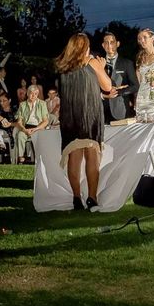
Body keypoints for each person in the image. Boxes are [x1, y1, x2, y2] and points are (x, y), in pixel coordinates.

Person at [56, 33, 111, 211]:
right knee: (92, 156)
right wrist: (102, 67)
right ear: (85, 47)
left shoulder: (64, 67)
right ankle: (92, 198)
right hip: (89, 115)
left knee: (74, 156)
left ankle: (76, 197)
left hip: (70, 117)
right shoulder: (92, 62)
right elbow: (108, 87)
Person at [101, 32, 139, 123]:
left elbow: (135, 86)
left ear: (117, 44)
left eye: (112, 42)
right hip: (101, 110)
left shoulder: (127, 63)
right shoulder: (97, 63)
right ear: (103, 45)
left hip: (120, 109)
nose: (109, 45)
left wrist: (119, 92)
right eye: (106, 42)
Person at [14, 85, 49, 164]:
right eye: (31, 93)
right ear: (27, 93)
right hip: (26, 127)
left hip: (38, 127)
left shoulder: (42, 104)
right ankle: (21, 158)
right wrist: (24, 130)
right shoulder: (22, 105)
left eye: (36, 94)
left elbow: (46, 121)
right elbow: (19, 121)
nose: (33, 96)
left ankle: (40, 159)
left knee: (39, 136)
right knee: (20, 135)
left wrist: (36, 129)